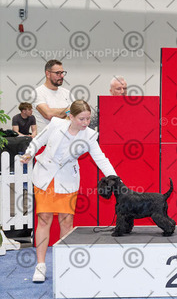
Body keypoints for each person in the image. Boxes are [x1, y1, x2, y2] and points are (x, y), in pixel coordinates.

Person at [21, 100, 118, 283]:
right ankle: (40, 265)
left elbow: (101, 159)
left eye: (88, 118)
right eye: (82, 119)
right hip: (45, 177)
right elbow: (38, 141)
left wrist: (116, 179)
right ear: (71, 117)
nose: (86, 122)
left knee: (67, 221)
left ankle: (65, 265)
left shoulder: (90, 136)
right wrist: (29, 154)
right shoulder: (56, 124)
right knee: (44, 219)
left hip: (67, 180)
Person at [33, 60, 73, 131]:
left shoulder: (67, 93)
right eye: (58, 73)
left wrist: (59, 113)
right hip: (47, 137)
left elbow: (76, 114)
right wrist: (69, 110)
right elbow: (49, 114)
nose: (62, 76)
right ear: (48, 74)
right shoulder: (38, 93)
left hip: (65, 136)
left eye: (62, 73)